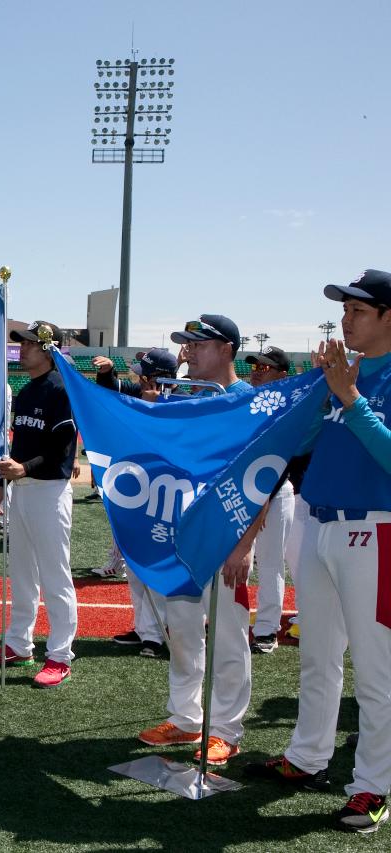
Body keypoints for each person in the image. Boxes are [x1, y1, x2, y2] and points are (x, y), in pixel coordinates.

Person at [245, 269, 391, 834]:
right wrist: (313, 396)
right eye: (345, 310)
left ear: (387, 316)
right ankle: (307, 758)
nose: (346, 319)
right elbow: (303, 445)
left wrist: (349, 397)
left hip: (375, 531)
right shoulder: (338, 373)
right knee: (317, 657)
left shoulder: (359, 379)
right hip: (320, 522)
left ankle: (373, 786)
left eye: (358, 310)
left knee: (377, 671)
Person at [136, 313, 254, 766]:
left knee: (228, 635)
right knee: (182, 633)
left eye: (197, 344)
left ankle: (226, 729)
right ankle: (185, 720)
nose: (188, 352)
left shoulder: (249, 400)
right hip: (181, 532)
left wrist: (244, 544)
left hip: (225, 533)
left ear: (225, 348)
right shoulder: (185, 396)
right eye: (185, 344)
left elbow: (261, 478)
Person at [0, 321, 78, 688]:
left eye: (30, 345)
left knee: (55, 575)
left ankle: (60, 655)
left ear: (49, 350)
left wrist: (24, 468)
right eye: (22, 344)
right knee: (21, 574)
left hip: (49, 490)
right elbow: (20, 446)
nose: (23, 349)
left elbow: (62, 449)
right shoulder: (27, 391)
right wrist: (3, 485)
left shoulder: (59, 390)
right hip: (21, 489)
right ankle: (19, 643)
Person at [92, 347, 179, 659]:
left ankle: (158, 635)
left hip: (166, 496)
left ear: (158, 377)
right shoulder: (142, 391)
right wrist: (105, 373)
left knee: (157, 567)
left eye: (143, 372)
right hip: (139, 492)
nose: (138, 378)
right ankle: (145, 629)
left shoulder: (182, 401)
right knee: (136, 569)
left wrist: (160, 406)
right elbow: (111, 388)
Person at [245, 345, 296, 654]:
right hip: (248, 492)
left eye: (264, 367)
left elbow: (282, 461)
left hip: (276, 493)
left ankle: (267, 629)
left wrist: (264, 502)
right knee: (237, 562)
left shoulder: (290, 406)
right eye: (255, 366)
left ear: (282, 375)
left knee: (270, 563)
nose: (256, 371)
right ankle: (236, 621)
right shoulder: (248, 401)